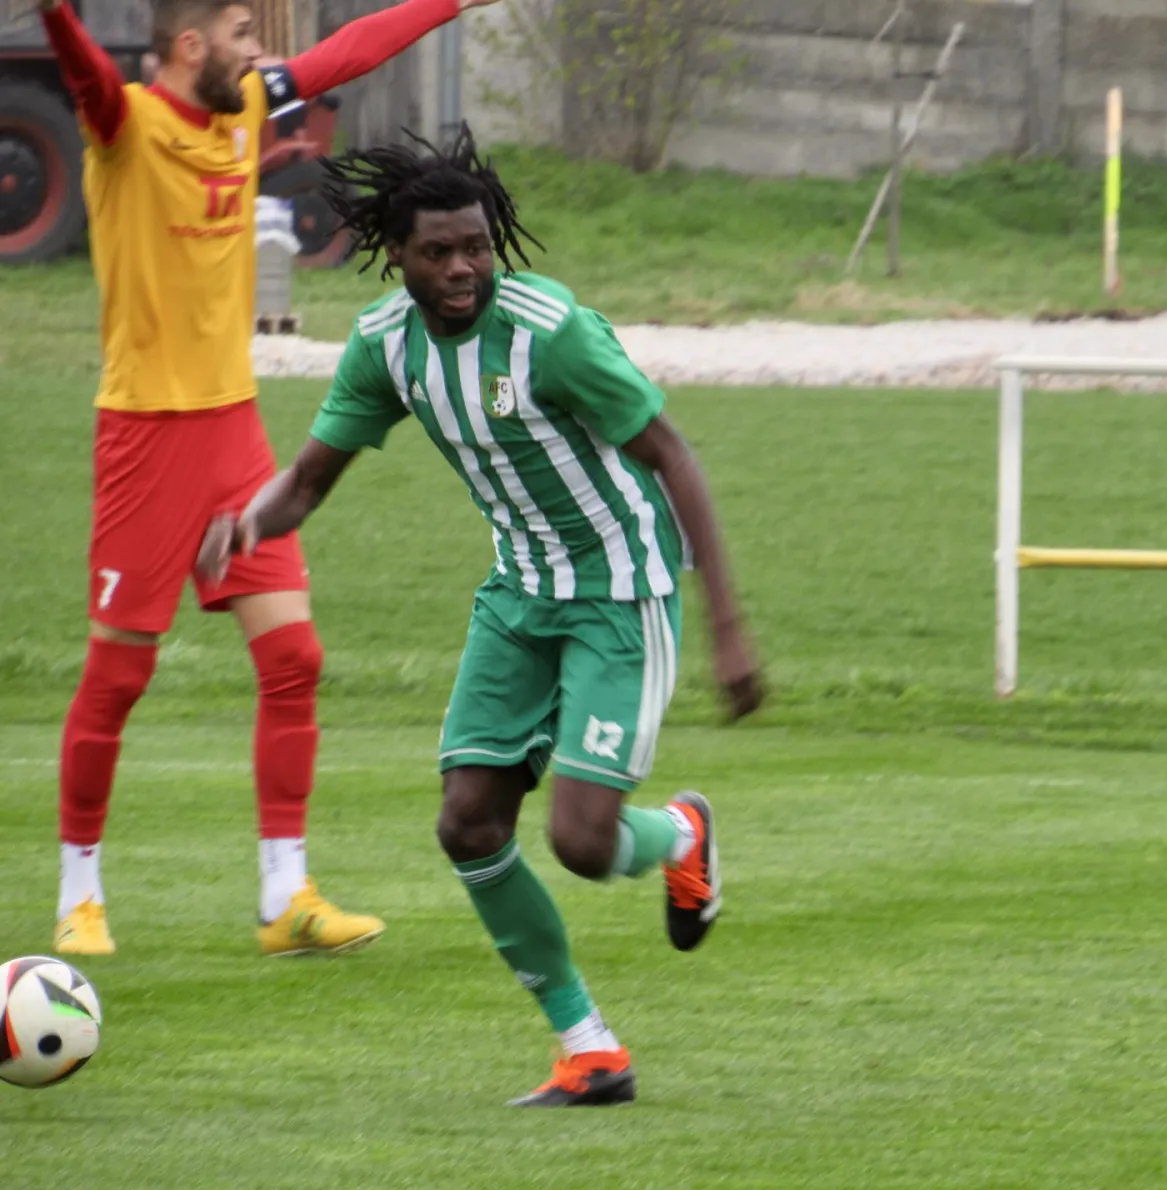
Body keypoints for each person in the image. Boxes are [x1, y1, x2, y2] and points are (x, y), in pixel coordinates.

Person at [196, 126, 763, 1107]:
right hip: (518, 596)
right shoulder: (386, 346)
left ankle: (679, 836)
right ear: (397, 254)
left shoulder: (551, 332)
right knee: (467, 824)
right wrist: (247, 523)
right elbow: (310, 481)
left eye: (476, 247)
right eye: (439, 252)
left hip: (620, 593)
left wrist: (727, 626)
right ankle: (589, 1049)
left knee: (583, 843)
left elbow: (673, 455)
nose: (463, 268)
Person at [39, 0, 502, 958]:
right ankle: (79, 898)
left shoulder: (246, 102)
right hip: (143, 436)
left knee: (294, 659)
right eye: (243, 34)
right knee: (118, 676)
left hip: (234, 431)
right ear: (191, 45)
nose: (261, 53)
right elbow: (86, 74)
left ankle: (286, 898)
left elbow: (346, 52)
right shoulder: (126, 127)